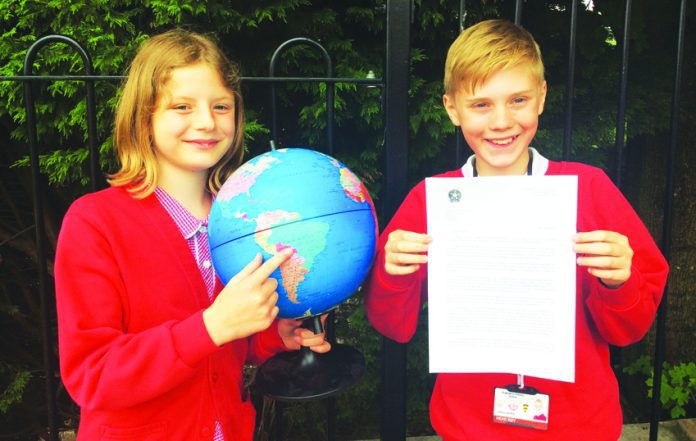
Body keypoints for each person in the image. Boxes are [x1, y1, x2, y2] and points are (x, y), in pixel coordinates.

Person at [364, 19, 669, 440]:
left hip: (579, 426)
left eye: (518, 99)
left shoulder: (590, 189)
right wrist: (392, 272)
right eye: (481, 104)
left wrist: (620, 282)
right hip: (469, 426)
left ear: (541, 98)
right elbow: (391, 324)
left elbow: (630, 329)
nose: (502, 121)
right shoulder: (430, 200)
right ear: (452, 109)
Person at [54, 29, 330, 441]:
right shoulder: (95, 222)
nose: (206, 122)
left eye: (221, 106)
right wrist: (211, 326)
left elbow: (225, 352)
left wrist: (274, 336)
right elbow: (93, 375)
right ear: (143, 116)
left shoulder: (239, 216)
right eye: (182, 106)